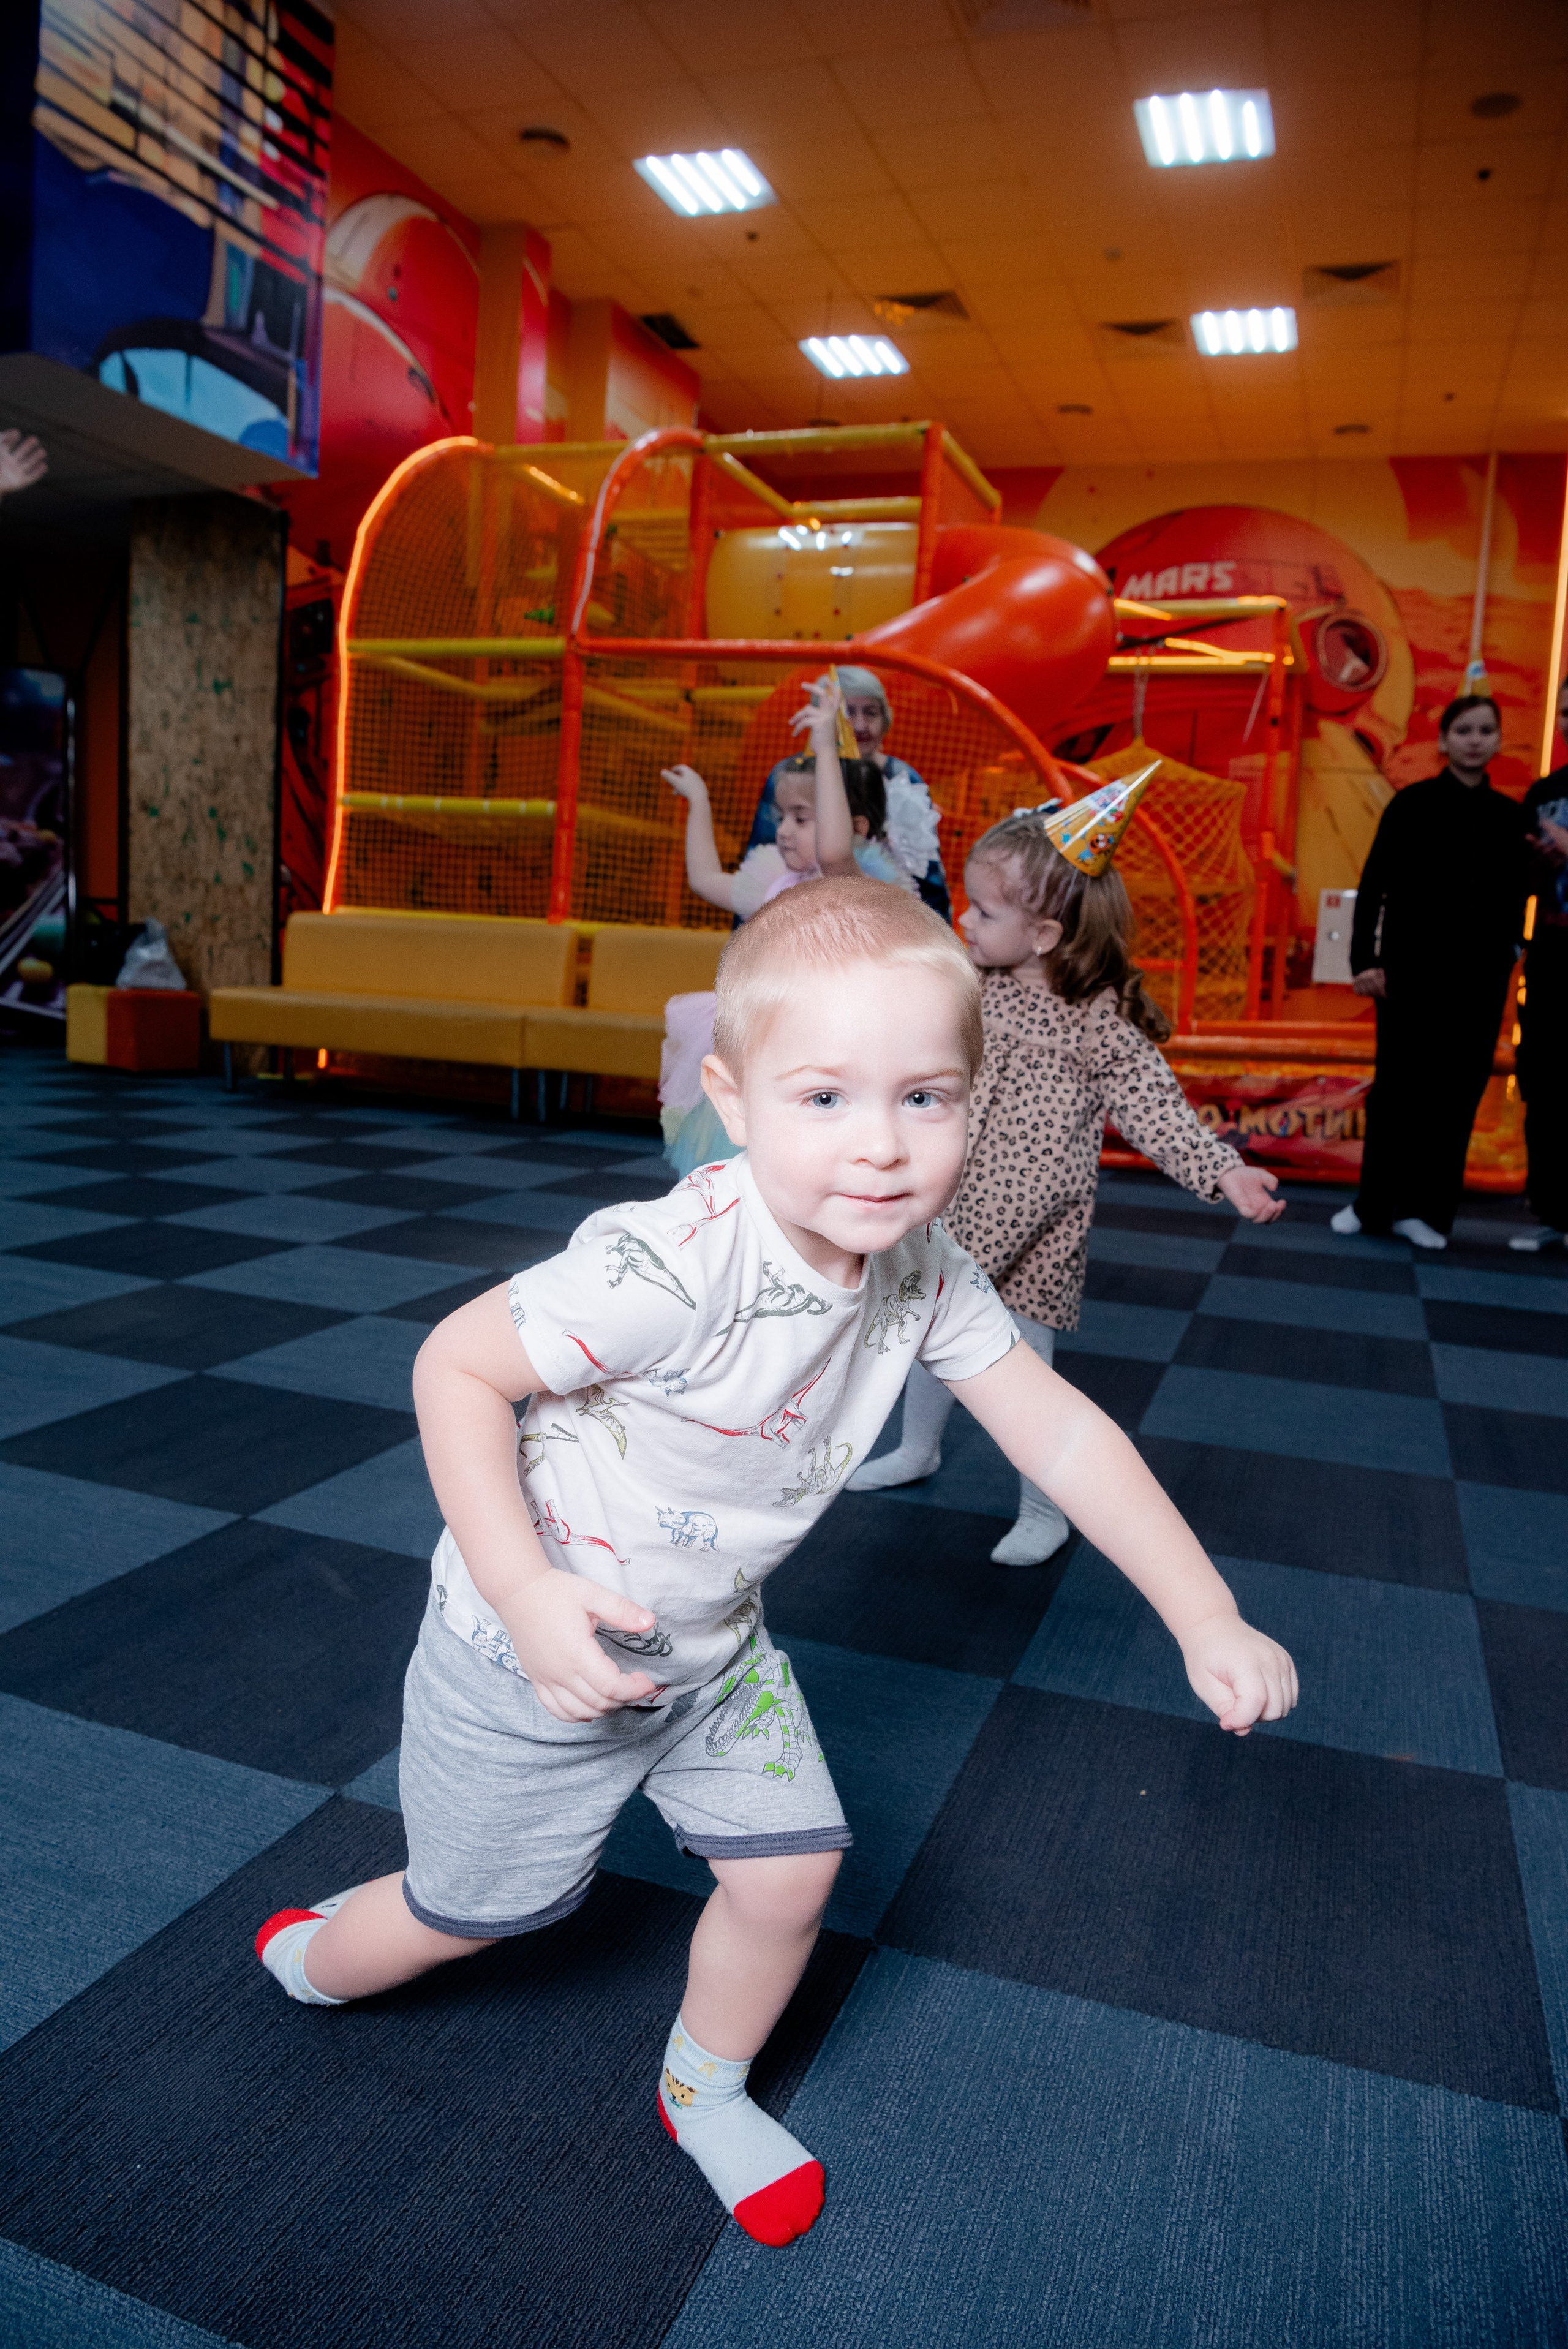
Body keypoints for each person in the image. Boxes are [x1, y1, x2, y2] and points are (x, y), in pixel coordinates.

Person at [253, 875, 1299, 2251]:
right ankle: (312, 1956)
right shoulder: (669, 1266)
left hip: (713, 1653)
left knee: (793, 1877)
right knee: (470, 1914)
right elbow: (456, 1365)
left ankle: (703, 2089)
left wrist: (1203, 1612)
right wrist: (521, 1589)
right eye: (824, 1098)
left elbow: (1059, 1430)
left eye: (924, 1097)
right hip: (530, 1656)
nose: (881, 1147)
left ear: (973, 1101)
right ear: (733, 1100)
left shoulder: (925, 1268)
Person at [851, 785, 1284, 1563]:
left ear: (1046, 933)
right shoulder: (974, 985)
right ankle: (917, 1449)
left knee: (1027, 1377)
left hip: (1038, 1237)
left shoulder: (1095, 1021)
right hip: (956, 1212)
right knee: (929, 1333)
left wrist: (1223, 1171)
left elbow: (1155, 1108)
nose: (966, 920)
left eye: (985, 911)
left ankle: (1045, 1507)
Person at [659, 678, 905, 1177]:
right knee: (758, 1166)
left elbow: (833, 851)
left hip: (836, 1045)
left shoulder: (853, 888)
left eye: (802, 817)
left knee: (823, 1163)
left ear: (854, 828)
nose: (784, 830)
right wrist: (700, 802)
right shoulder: (777, 881)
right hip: (774, 1043)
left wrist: (825, 749)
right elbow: (705, 880)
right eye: (782, 817)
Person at [1331, 695, 1528, 1251]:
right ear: (1443, 740)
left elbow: (1520, 895)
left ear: (1498, 740)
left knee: (1455, 1098)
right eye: (1464, 730)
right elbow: (1373, 885)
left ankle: (1428, 1213)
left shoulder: (1511, 818)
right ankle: (1372, 1205)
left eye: (1485, 730)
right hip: (1407, 977)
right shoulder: (1410, 804)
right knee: (1396, 1094)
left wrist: (1511, 950)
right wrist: (1363, 962)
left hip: (1479, 985)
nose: (1475, 739)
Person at [745, 665, 949, 918]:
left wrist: (937, 932)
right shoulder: (792, 776)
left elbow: (929, 877)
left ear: (885, 719)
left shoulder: (902, 779)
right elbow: (761, 862)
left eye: (871, 713)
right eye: (847, 713)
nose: (861, 725)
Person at [1510, 672, 1568, 1252]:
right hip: (1551, 954)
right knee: (1545, 1084)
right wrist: (1538, 861)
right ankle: (1553, 1211)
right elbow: (1517, 882)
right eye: (1567, 711)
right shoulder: (1543, 793)